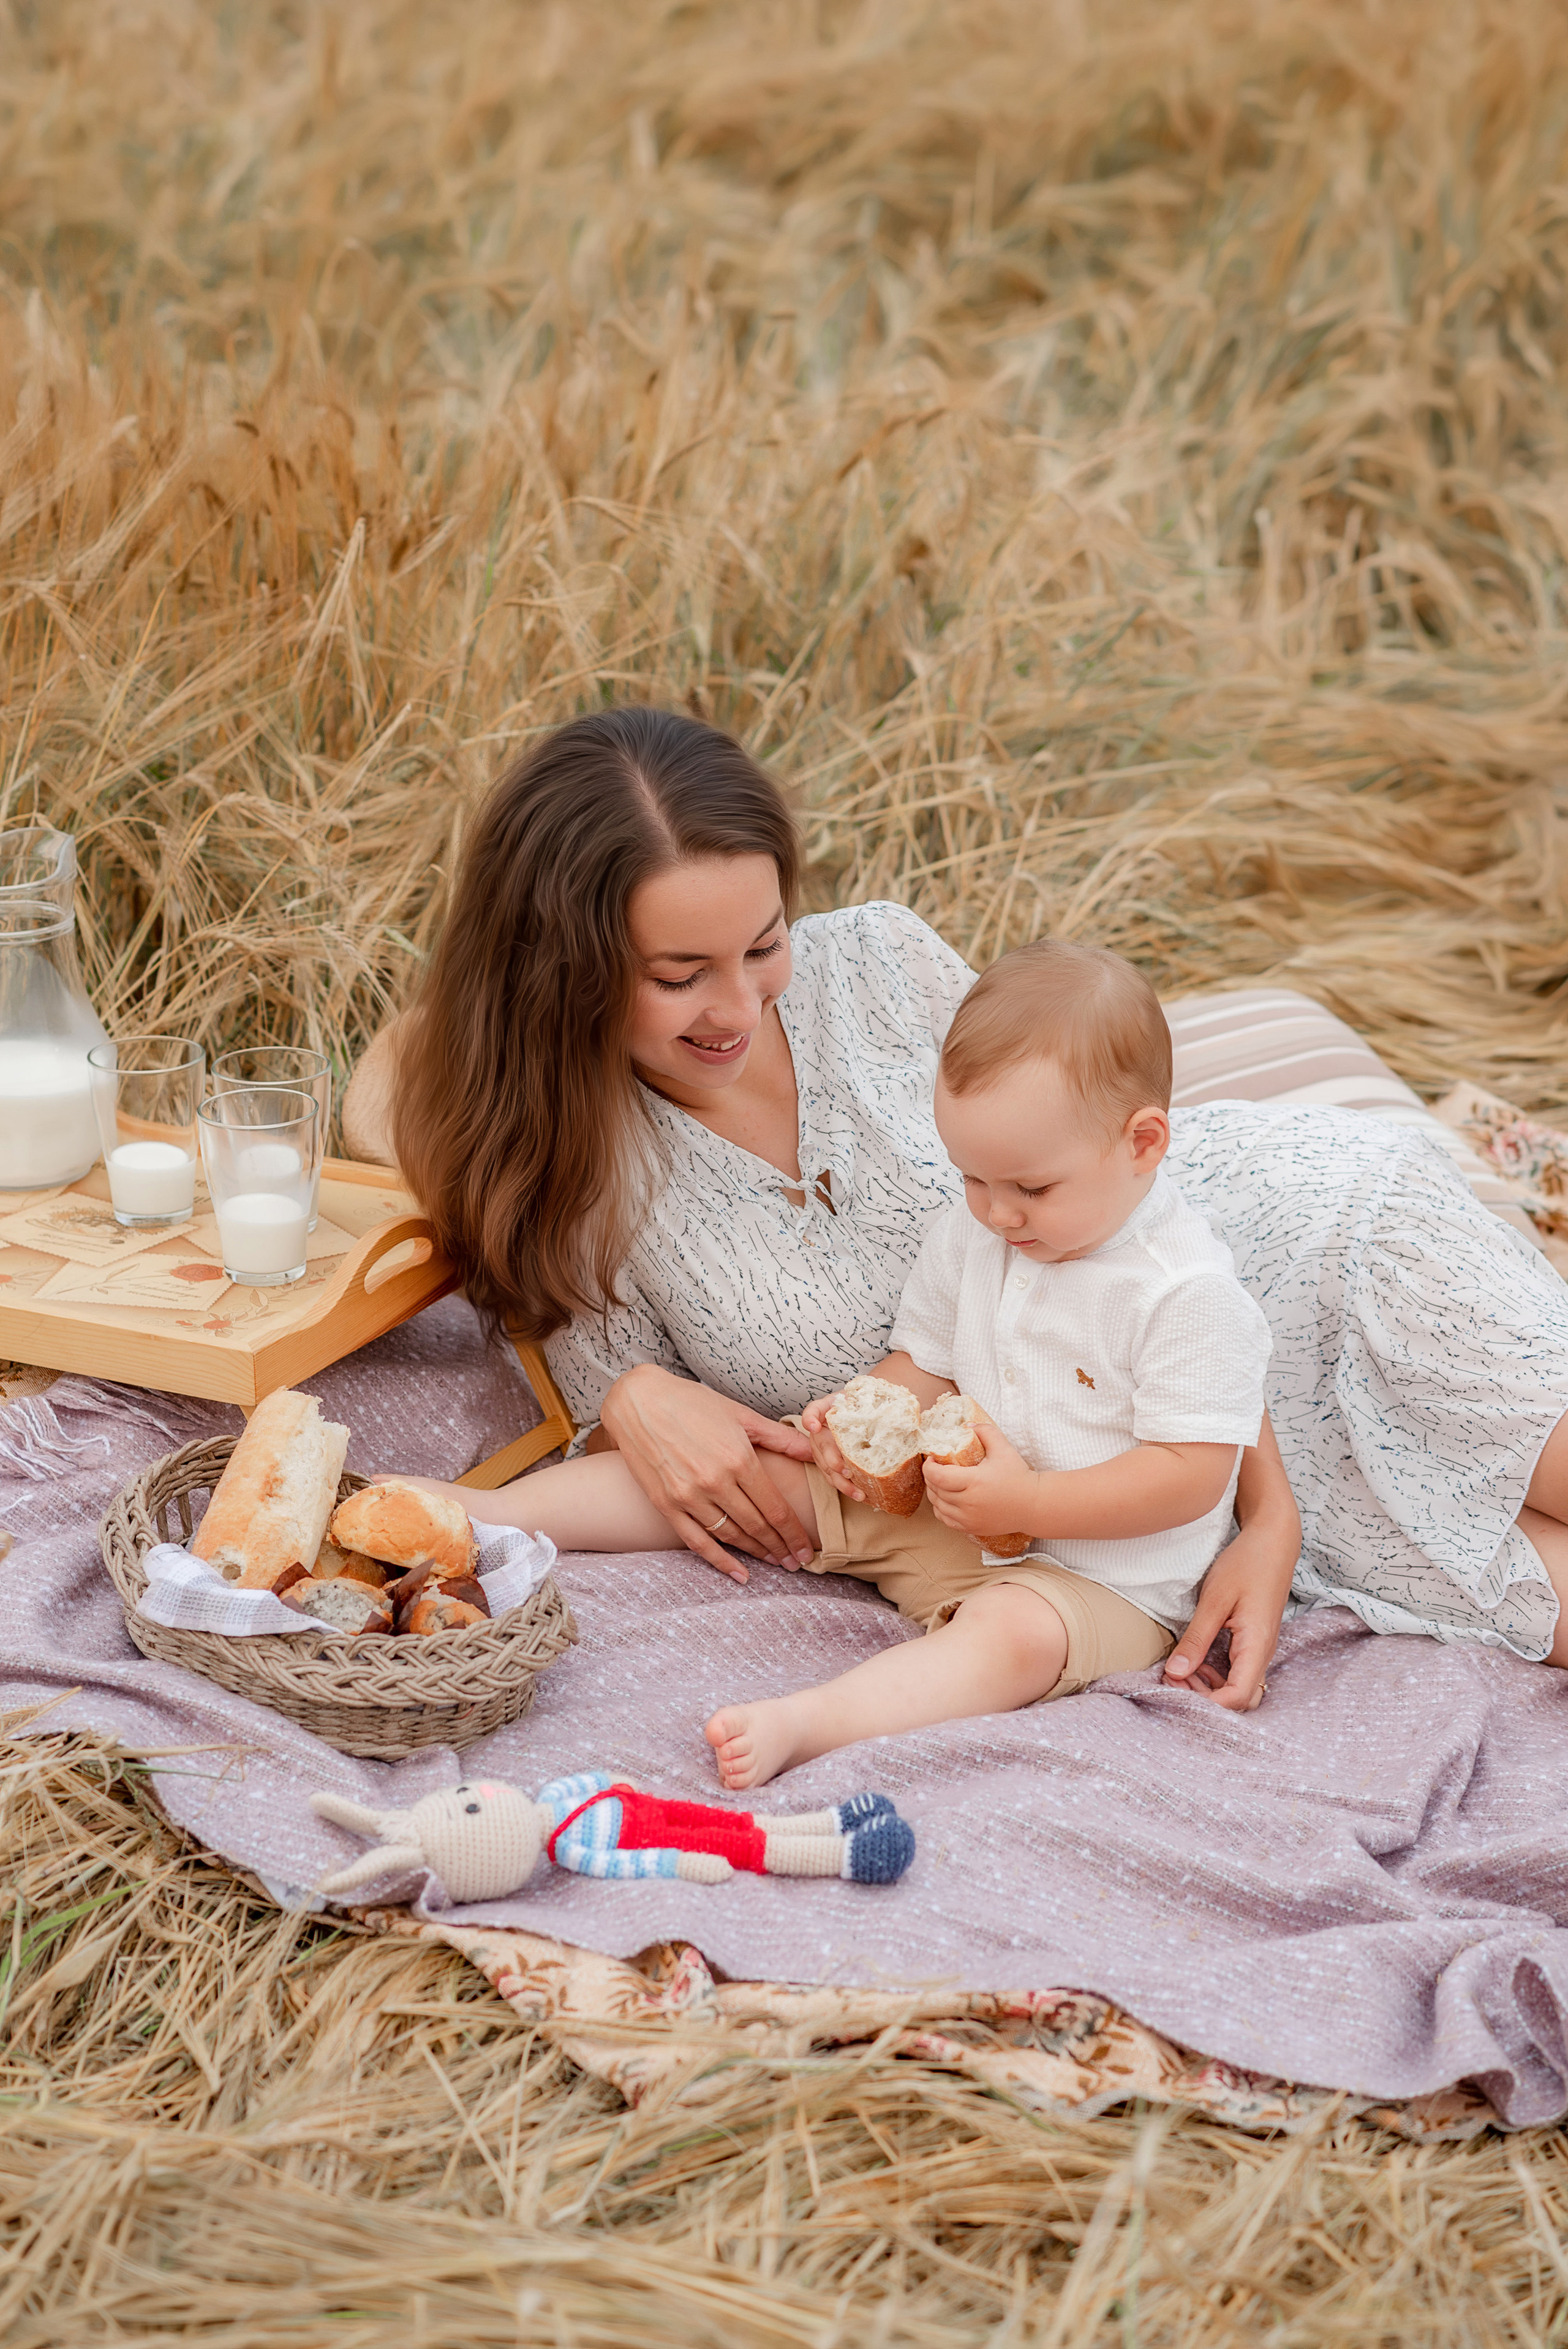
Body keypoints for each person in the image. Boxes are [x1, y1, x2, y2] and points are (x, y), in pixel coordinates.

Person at [358, 706, 1568, 1718]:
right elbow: (400, 1101)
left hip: (1283, 1271)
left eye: (764, 946)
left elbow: (1151, 1216)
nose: (737, 1005)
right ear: (560, 968)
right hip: (1120, 1473)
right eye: (680, 977)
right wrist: (623, 1396)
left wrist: (1270, 1518)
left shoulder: (882, 962)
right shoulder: (570, 1179)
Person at [407, 939, 1276, 1786]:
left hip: (1099, 1578)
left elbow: (1191, 1474)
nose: (998, 1213)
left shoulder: (1183, 1292)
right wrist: (860, 1408)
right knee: (767, 1466)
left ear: (1144, 1142)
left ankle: (811, 1720)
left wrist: (1034, 1503)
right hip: (951, 1514)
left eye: (1030, 1189)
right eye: (973, 1179)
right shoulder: (974, 1230)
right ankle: (485, 1510)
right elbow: (926, 1360)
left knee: (1012, 1638)